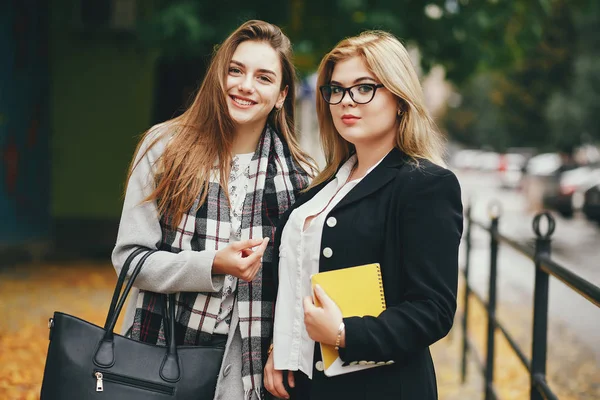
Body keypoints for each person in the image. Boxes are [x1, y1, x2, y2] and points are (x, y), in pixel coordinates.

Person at [112, 20, 314, 400]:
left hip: (248, 373)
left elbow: (300, 285)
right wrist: (212, 266)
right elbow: (129, 260)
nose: (245, 85)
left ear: (282, 94)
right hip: (159, 355)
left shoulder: (300, 178)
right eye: (235, 70)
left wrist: (282, 352)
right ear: (218, 76)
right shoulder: (164, 149)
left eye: (263, 77)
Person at [264, 30, 463, 400]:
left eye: (364, 87)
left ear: (400, 98)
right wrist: (284, 349)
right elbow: (299, 277)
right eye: (336, 90)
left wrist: (344, 334)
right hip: (302, 387)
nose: (345, 101)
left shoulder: (426, 185)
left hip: (380, 388)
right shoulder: (319, 189)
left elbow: (433, 309)